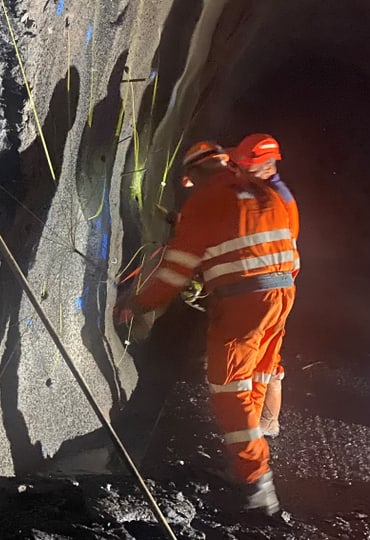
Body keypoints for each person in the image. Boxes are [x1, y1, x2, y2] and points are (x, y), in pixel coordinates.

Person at [115, 140, 299, 516]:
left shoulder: (205, 201)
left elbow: (174, 271)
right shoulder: (264, 190)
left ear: (196, 172)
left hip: (244, 304)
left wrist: (138, 303)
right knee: (259, 372)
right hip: (282, 293)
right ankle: (257, 443)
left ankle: (256, 480)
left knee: (228, 388)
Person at [230, 134, 299, 438]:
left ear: (267, 167)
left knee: (259, 362)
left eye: (247, 167)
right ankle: (266, 423)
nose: (240, 172)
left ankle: (256, 432)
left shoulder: (278, 201)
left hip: (270, 289)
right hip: (270, 287)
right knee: (265, 357)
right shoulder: (264, 189)